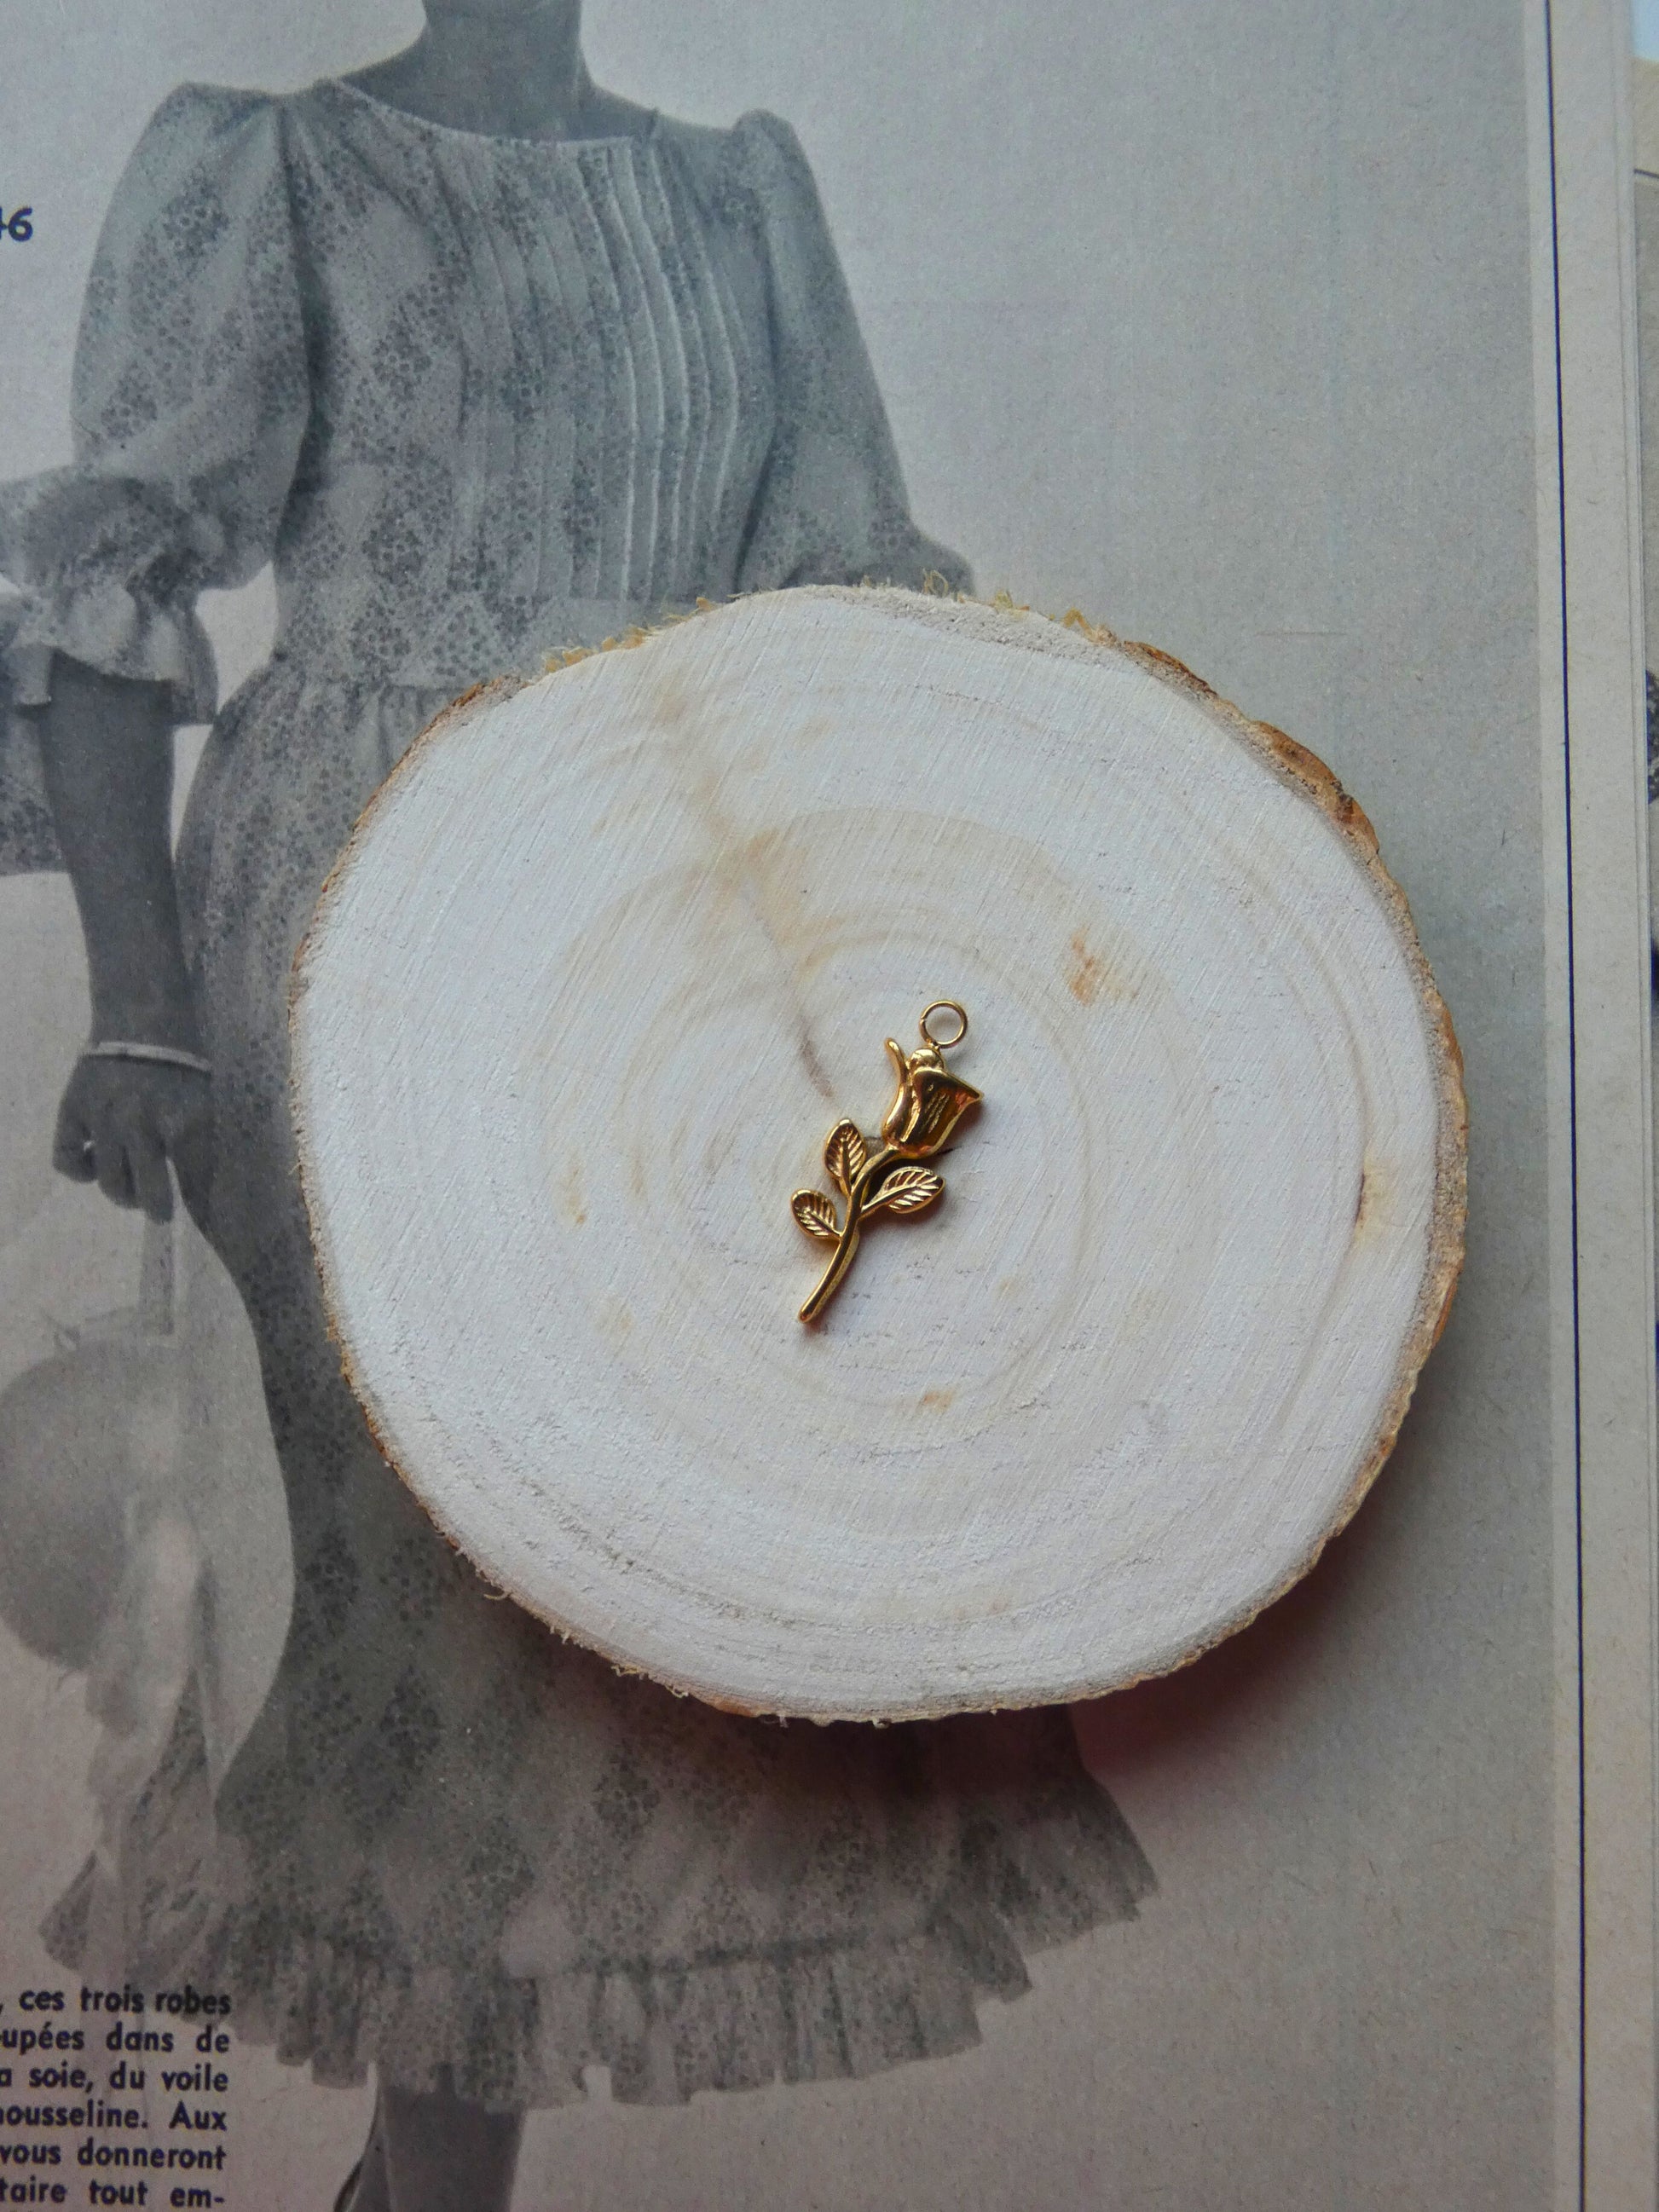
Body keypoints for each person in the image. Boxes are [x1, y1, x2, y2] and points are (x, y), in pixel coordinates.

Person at [0, 3, 1155, 2206]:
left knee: (613, 1584)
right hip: (352, 934)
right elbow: (98, 589)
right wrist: (139, 1011)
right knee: (414, 1597)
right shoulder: (273, 165)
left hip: (677, 951)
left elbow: (844, 621)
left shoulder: (737, 192)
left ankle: (416, 2186)